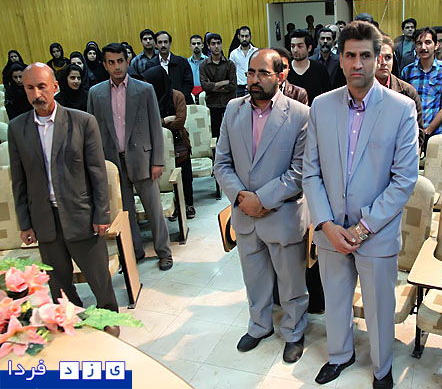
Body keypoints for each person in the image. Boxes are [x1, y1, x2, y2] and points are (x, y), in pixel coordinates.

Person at [303, 21, 419, 389]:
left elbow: (404, 179)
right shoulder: (322, 106)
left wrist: (363, 228)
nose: (357, 64)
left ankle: (382, 368)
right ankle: (340, 355)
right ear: (340, 58)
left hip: (376, 231)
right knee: (336, 300)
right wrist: (326, 225)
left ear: (378, 58)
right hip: (331, 230)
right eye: (350, 55)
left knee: (379, 307)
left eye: (365, 56)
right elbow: (311, 172)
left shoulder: (401, 108)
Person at [8, 63, 119, 335]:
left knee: (98, 277)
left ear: (55, 87)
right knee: (58, 282)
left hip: (81, 215)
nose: (37, 94)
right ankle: (72, 320)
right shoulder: (17, 128)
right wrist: (25, 223)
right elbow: (19, 181)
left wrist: (101, 215)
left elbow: (97, 174)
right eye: (30, 88)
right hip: (44, 219)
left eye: (42, 86)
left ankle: (109, 321)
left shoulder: (82, 122)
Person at [214, 48, 310, 364]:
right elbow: (222, 163)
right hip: (245, 214)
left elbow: (300, 171)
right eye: (251, 73)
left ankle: (294, 332)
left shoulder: (300, 114)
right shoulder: (233, 109)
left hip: (281, 214)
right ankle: (260, 326)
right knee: (254, 279)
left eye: (263, 73)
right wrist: (242, 197)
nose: (255, 80)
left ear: (280, 76)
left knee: (291, 284)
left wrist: (263, 199)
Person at [88, 43, 173, 271]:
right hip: (113, 160)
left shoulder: (144, 90)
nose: (116, 66)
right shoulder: (96, 93)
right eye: (111, 62)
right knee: (125, 211)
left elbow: (155, 127)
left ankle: (164, 251)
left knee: (154, 210)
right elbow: (92, 133)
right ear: (104, 65)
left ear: (127, 61)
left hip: (142, 159)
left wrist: (157, 161)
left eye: (120, 61)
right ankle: (134, 251)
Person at [143, 66, 195, 220]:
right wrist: (165, 120)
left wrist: (159, 123)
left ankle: (188, 204)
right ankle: (174, 206)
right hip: (157, 143)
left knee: (184, 175)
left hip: (178, 140)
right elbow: (146, 123)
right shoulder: (147, 98)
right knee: (167, 178)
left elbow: (180, 121)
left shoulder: (177, 96)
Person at [401, 27, 442, 139]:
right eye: (419, 43)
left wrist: (427, 131)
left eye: (428, 42)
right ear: (415, 46)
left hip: (434, 134)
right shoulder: (407, 71)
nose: (423, 47)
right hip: (410, 131)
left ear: (436, 45)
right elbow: (403, 103)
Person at [376, 35, 424, 146]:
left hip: (399, 153)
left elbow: (418, 135)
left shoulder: (408, 92)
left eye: (388, 57)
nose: (383, 62)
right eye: (378, 58)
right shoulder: (360, 91)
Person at [198, 33, 237, 138]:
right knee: (216, 135)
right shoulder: (203, 65)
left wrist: (213, 87)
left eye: (218, 43)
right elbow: (205, 86)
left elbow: (233, 86)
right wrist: (224, 82)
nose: (216, 46)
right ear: (208, 46)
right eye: (213, 44)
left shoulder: (230, 64)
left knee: (232, 133)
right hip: (213, 104)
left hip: (229, 103)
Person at [147, 31, 194, 105]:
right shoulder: (151, 64)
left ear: (170, 43)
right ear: (156, 45)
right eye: (160, 42)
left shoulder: (182, 62)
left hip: (182, 102)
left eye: (165, 42)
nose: (163, 45)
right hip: (160, 105)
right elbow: (149, 87)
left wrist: (179, 98)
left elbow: (189, 83)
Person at [288, 29, 331, 105]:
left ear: (309, 48)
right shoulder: (286, 69)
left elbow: (328, 95)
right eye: (292, 46)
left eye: (300, 46)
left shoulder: (319, 69)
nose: (295, 50)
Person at [230, 26, 258, 97]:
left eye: (246, 36)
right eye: (242, 36)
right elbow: (231, 72)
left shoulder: (256, 52)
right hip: (239, 88)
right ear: (238, 37)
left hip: (254, 85)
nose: (244, 39)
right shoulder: (233, 54)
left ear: (250, 37)